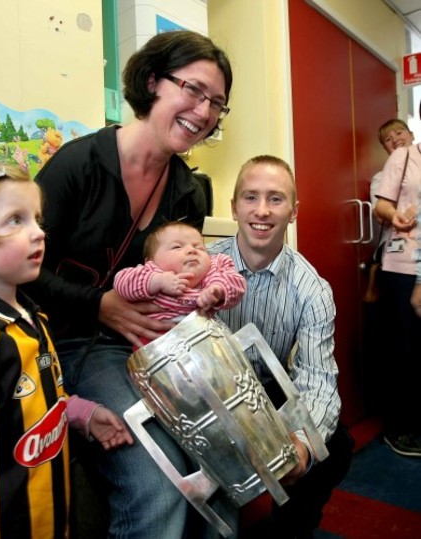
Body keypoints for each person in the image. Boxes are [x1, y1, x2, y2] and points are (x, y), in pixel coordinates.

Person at [22, 29, 232, 538]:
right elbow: (22, 274)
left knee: (222, 469)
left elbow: (188, 279)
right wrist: (100, 305)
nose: (204, 112)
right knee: (157, 482)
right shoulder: (78, 165)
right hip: (70, 346)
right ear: (153, 82)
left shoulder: (187, 191)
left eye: (218, 105)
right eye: (194, 91)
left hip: (154, 349)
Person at [0, 162, 134, 539]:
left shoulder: (33, 319)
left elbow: (37, 403)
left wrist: (81, 413)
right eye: (15, 221)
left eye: (36, 219)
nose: (38, 234)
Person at [207, 155, 354, 538]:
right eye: (250, 197)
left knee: (335, 446)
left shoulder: (313, 291)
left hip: (268, 390)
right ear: (234, 207)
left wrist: (303, 448)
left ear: (294, 211)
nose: (261, 211)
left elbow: (319, 380)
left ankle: (290, 528)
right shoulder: (201, 267)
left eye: (276, 199)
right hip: (208, 390)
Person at [113, 220, 246, 347]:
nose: (191, 250)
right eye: (177, 247)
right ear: (151, 260)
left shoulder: (210, 273)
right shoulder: (151, 271)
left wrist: (217, 290)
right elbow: (121, 282)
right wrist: (158, 281)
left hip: (202, 345)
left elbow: (235, 282)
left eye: (199, 247)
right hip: (155, 346)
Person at [373, 136, 421, 457]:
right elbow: (381, 205)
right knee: (405, 349)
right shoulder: (404, 157)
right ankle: (401, 427)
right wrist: (395, 216)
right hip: (404, 264)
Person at [370, 119, 414, 209]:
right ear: (385, 148)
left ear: (412, 135)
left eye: (399, 133)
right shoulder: (380, 178)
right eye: (388, 139)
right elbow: (379, 215)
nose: (395, 140)